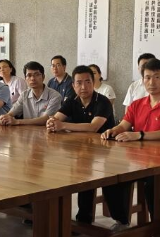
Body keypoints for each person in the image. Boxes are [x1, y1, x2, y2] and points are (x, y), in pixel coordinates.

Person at [102, 58, 160, 219]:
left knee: (154, 186)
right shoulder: (136, 104)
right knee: (110, 178)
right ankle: (121, 221)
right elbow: (124, 125)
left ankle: (158, 226)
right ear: (142, 80)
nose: (151, 82)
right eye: (147, 77)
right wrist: (112, 130)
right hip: (136, 161)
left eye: (157, 77)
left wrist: (139, 135)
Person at [48, 66, 128, 225]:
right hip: (83, 149)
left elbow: (93, 127)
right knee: (78, 174)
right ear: (73, 85)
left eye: (87, 82)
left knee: (106, 180)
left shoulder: (102, 101)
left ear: (94, 83)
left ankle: (121, 221)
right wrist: (51, 122)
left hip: (107, 152)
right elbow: (56, 118)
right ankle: (82, 220)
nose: (83, 87)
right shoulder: (72, 100)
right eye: (79, 83)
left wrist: (63, 126)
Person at [0, 61, 62, 126]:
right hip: (27, 131)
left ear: (43, 77)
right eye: (29, 75)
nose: (32, 78)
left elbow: (46, 119)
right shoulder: (24, 95)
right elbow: (11, 113)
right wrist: (4, 118)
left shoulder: (55, 96)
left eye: (36, 74)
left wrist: (17, 121)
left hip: (48, 131)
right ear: (25, 79)